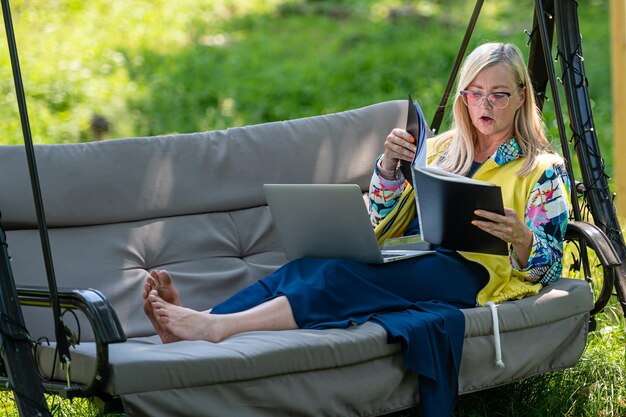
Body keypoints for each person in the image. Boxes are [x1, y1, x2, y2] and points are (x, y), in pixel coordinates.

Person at [142, 42, 570, 417]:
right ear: (462, 96)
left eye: (498, 95)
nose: (485, 106)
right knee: (310, 266)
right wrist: (387, 167)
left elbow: (550, 267)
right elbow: (379, 223)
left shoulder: (542, 170)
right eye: (475, 93)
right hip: (416, 251)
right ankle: (202, 318)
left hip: (474, 273)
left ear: (521, 98)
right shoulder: (441, 149)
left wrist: (523, 239)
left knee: (338, 278)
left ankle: (218, 329)